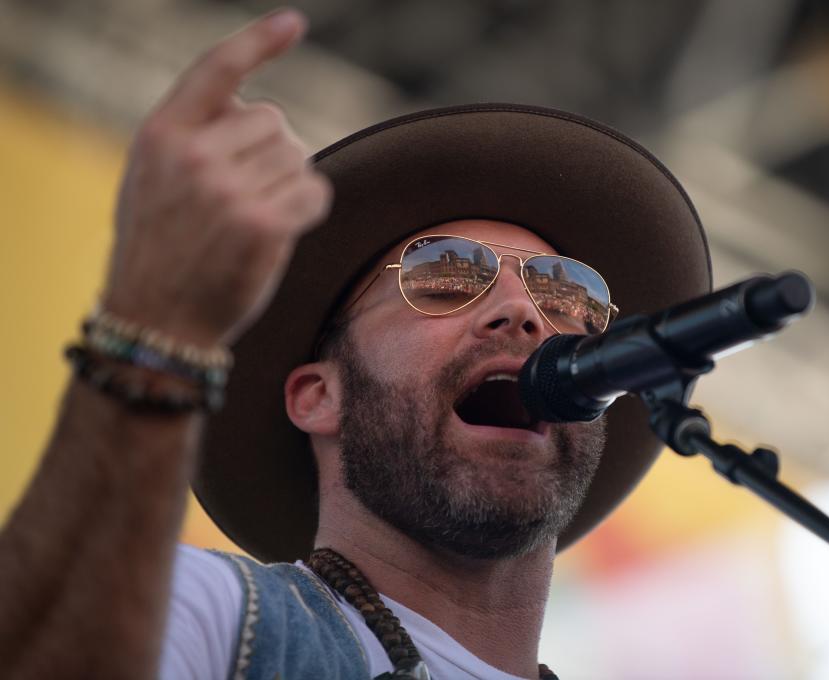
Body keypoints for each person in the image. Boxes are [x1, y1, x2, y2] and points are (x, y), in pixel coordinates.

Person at [0, 8, 711, 679]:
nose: (523, 312)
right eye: (444, 276)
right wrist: (154, 324)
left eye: (565, 294)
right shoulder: (215, 618)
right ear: (319, 396)